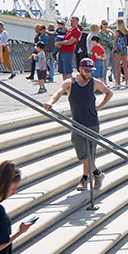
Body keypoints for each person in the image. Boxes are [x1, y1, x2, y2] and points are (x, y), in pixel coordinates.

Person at [44, 57, 113, 190]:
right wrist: (50, 103)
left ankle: (85, 178)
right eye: (86, 71)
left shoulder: (94, 82)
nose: (89, 73)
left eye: (91, 71)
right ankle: (97, 173)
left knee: (90, 153)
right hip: (77, 123)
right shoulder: (70, 82)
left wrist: (99, 106)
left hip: (92, 122)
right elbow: (58, 93)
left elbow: (109, 93)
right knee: (82, 152)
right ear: (80, 69)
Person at [58, 16, 82, 80]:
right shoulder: (69, 30)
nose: (71, 23)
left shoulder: (77, 31)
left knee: (68, 70)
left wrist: (60, 42)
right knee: (63, 70)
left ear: (77, 22)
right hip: (61, 51)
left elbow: (70, 42)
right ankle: (65, 86)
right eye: (71, 21)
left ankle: (70, 85)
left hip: (68, 52)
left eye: (73, 21)